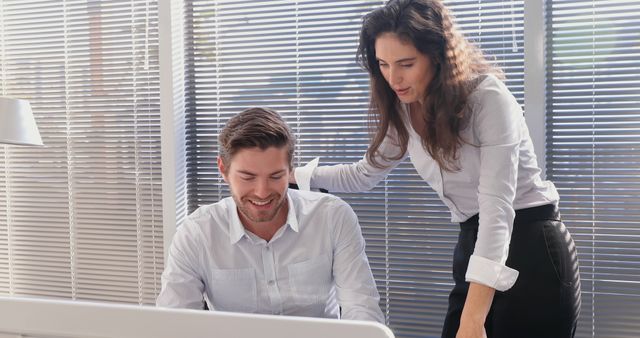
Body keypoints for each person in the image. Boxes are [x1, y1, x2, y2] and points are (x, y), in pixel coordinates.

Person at [291, 1, 581, 337]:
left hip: (531, 248)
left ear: (439, 56)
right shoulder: (404, 107)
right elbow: (364, 174)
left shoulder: (488, 100)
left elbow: (496, 211)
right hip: (474, 243)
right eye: (383, 64)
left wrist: (473, 320)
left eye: (406, 63)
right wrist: (293, 178)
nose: (393, 77)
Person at [156, 107, 384, 324]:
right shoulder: (197, 233)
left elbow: (361, 309)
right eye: (247, 177)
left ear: (290, 170)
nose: (262, 192)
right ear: (223, 170)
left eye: (276, 176)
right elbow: (175, 323)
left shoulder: (333, 217)